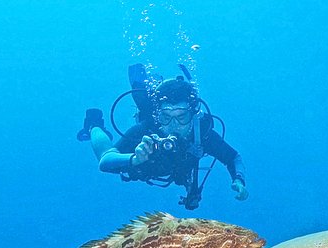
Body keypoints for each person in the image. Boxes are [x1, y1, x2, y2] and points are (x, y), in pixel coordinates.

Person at [80, 72, 248, 209]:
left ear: (193, 114)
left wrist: (238, 179)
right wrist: (133, 159)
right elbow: (105, 160)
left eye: (182, 117)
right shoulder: (145, 130)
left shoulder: (202, 134)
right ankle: (93, 124)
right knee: (103, 147)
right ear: (157, 115)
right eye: (166, 117)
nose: (174, 125)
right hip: (142, 168)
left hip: (177, 171)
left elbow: (233, 157)